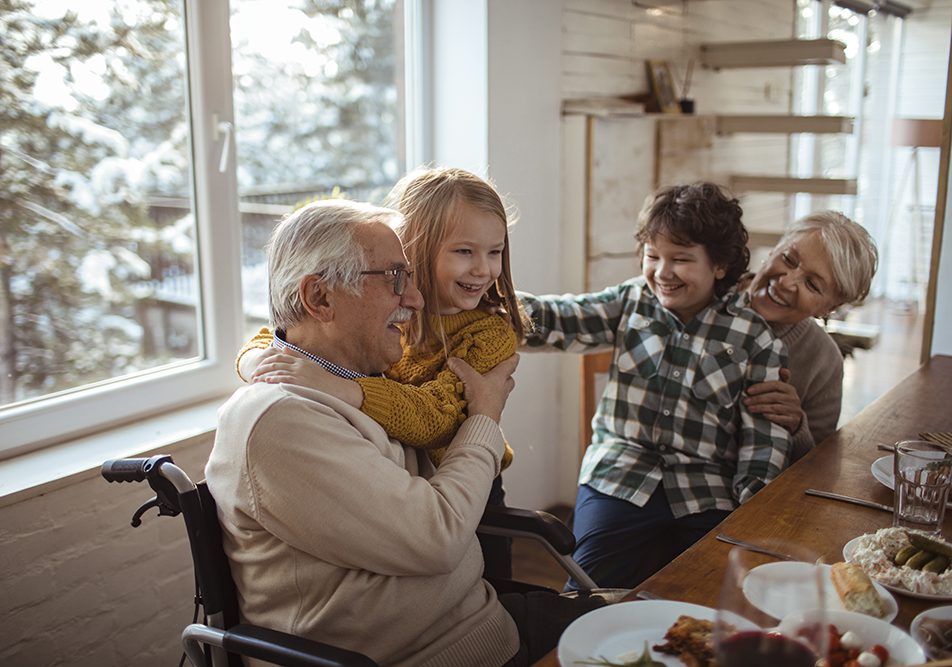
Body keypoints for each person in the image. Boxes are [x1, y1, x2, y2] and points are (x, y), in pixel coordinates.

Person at [206, 199, 602, 667]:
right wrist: (485, 414)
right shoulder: (280, 420)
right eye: (396, 278)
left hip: (479, 619)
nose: (415, 299)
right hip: (443, 650)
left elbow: (282, 338)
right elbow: (437, 537)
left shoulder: (355, 376)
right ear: (321, 299)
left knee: (656, 625)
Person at [237, 166, 530, 579]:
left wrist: (345, 389)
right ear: (419, 252)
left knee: (489, 586)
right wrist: (255, 363)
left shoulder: (487, 336)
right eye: (465, 252)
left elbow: (439, 419)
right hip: (407, 484)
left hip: (471, 484)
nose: (483, 269)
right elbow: (278, 334)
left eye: (495, 252)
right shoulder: (388, 316)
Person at [519, 182, 792, 590]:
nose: (662, 273)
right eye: (653, 256)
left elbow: (762, 444)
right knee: (585, 593)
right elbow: (561, 318)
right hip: (619, 473)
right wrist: (495, 301)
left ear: (719, 265)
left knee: (717, 591)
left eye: (681, 259)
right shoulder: (631, 301)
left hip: (707, 488)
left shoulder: (753, 336)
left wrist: (750, 510)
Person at [741, 210, 879, 461]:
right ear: (774, 249)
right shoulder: (702, 295)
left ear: (828, 309)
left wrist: (796, 425)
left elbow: (819, 466)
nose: (786, 282)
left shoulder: (825, 360)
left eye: (812, 284)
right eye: (789, 259)